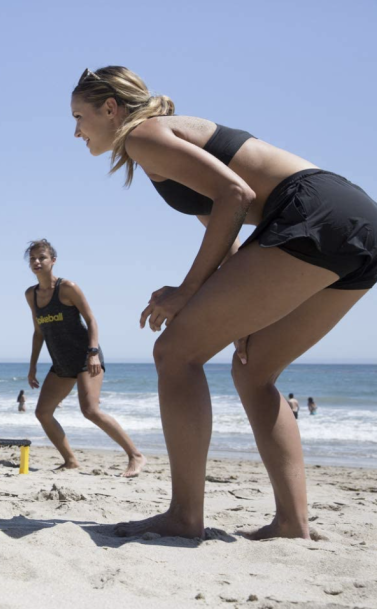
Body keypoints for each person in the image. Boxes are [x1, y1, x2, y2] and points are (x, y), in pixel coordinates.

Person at [71, 66, 377, 539]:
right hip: (355, 221)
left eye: (79, 116)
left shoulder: (145, 136)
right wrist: (237, 321)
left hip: (312, 212)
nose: (76, 130)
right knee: (254, 368)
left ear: (110, 108)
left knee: (174, 352)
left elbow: (236, 195)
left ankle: (184, 516)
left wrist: (187, 291)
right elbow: (228, 237)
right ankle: (293, 523)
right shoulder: (164, 145)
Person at [24, 239, 145, 477]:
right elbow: (39, 332)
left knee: (90, 410)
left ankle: (136, 455)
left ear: (53, 261)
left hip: (85, 356)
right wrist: (32, 367)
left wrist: (92, 353)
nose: (37, 262)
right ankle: (71, 461)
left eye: (42, 257)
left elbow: (91, 320)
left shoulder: (67, 287)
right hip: (61, 361)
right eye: (33, 259)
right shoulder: (31, 294)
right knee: (43, 412)